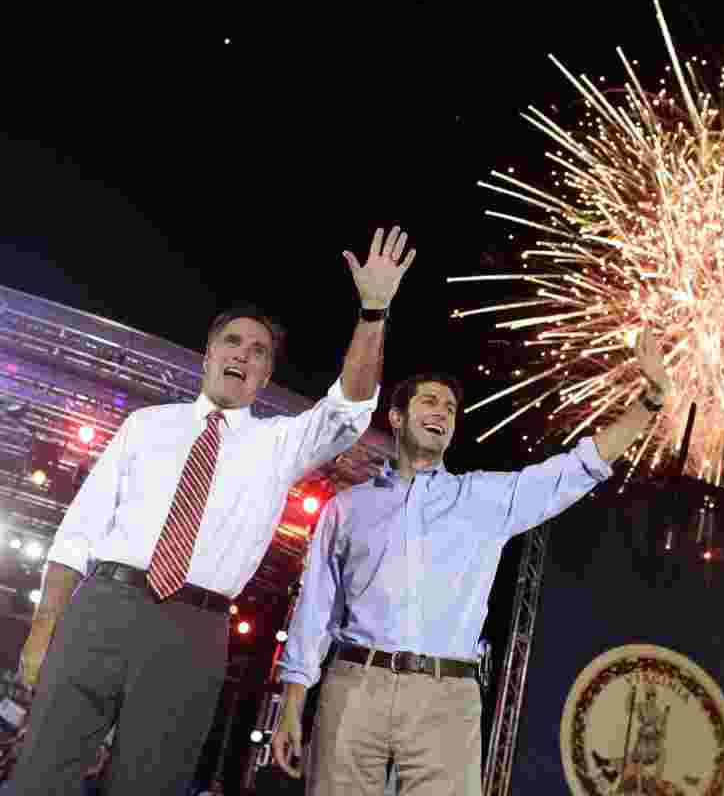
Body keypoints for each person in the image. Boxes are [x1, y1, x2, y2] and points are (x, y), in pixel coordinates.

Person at [11, 225, 417, 796]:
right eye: (232, 342)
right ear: (209, 356)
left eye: (258, 352)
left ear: (265, 376)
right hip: (101, 609)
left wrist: (373, 312)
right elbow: (76, 534)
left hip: (194, 630)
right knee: (38, 777)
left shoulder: (280, 444)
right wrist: (43, 631)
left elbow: (349, 409)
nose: (243, 354)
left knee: (147, 786)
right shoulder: (146, 426)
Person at [271, 330, 672, 795]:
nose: (442, 412)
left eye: (450, 408)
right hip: (354, 687)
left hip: (446, 697)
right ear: (396, 418)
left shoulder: (482, 497)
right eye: (429, 402)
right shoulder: (347, 507)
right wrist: (291, 704)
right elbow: (315, 609)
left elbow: (579, 468)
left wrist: (650, 401)